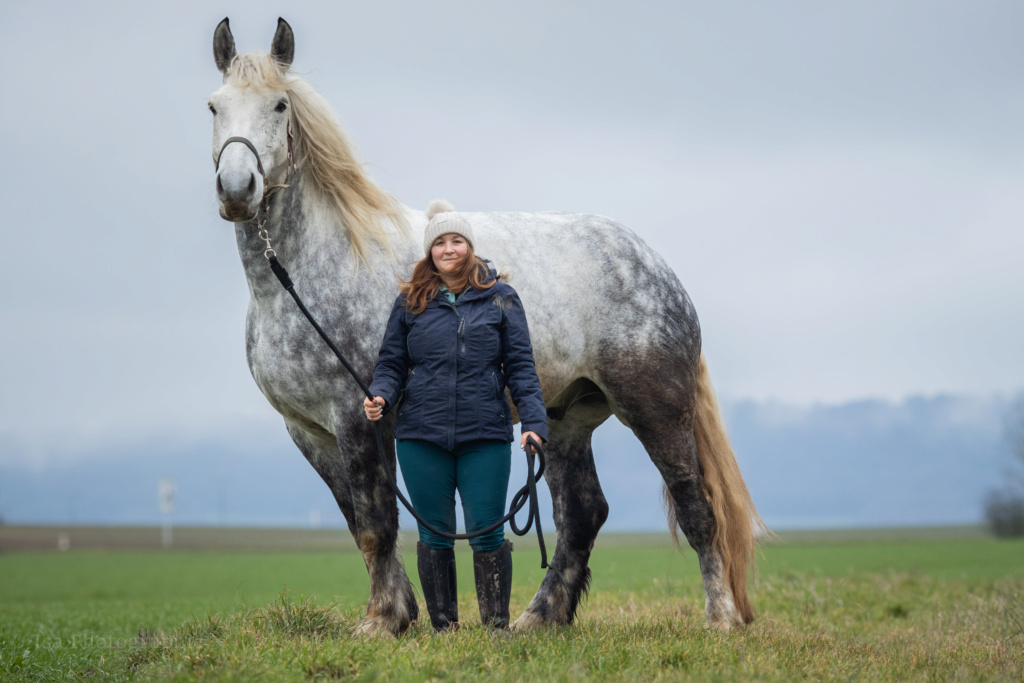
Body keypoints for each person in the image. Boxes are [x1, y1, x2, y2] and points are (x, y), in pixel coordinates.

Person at [363, 200, 547, 632]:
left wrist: (535, 424)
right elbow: (391, 365)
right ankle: (444, 627)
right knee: (434, 534)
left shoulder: (501, 299)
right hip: (420, 437)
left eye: (457, 240)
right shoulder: (410, 302)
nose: (449, 249)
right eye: (440, 242)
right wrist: (381, 396)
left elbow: (521, 368)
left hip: (485, 434)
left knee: (486, 531)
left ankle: (495, 627)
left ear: (470, 247)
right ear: (430, 252)